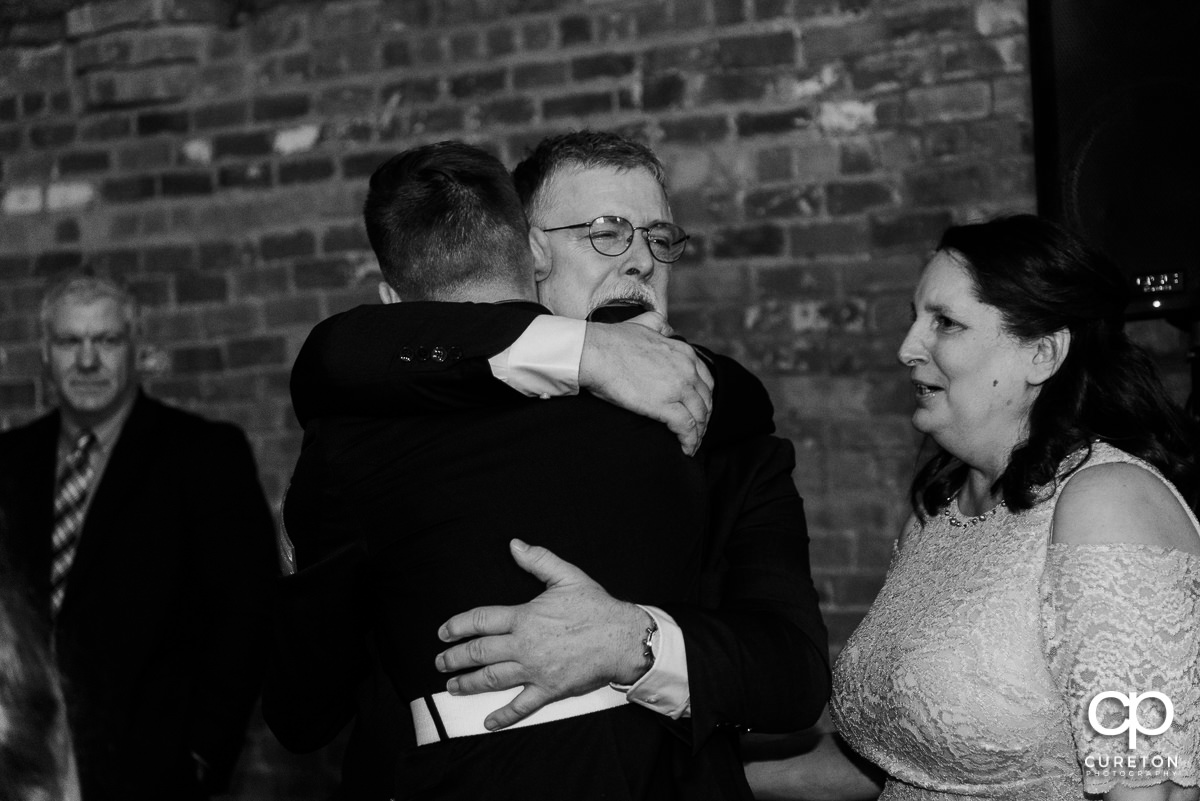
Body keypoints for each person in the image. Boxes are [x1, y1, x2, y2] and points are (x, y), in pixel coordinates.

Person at [265, 138, 829, 800]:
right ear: (529, 253)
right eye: (606, 233)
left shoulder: (723, 429)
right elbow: (337, 355)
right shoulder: (384, 413)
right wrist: (580, 350)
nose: (643, 260)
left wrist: (636, 641)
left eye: (659, 238)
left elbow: (793, 674)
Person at [751, 214, 1200, 801]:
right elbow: (905, 762)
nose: (908, 348)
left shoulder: (1108, 502)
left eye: (946, 323)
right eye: (916, 319)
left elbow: (1151, 784)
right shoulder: (940, 511)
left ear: (1042, 353)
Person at [0, 275, 277, 800]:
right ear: (45, 354)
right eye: (69, 343)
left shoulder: (203, 455)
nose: (86, 361)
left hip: (155, 768)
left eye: (105, 342)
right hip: (23, 764)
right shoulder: (8, 462)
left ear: (136, 350)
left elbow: (248, 612)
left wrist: (203, 754)